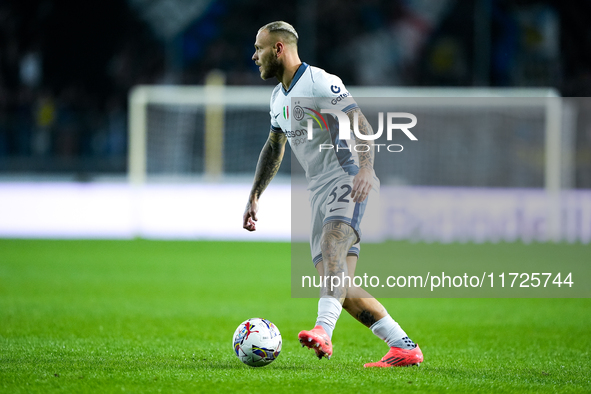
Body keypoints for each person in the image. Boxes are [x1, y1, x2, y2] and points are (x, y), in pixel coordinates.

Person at [242, 21, 423, 368]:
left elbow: (360, 124)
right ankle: (403, 346)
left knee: (333, 243)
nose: (254, 56)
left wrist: (367, 169)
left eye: (259, 48)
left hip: (347, 177)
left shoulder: (320, 82)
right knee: (338, 284)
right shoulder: (278, 97)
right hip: (318, 191)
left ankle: (323, 331)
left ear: (279, 48)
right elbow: (274, 146)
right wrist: (255, 195)